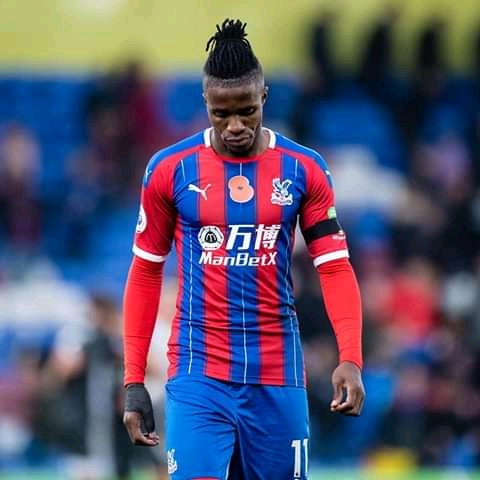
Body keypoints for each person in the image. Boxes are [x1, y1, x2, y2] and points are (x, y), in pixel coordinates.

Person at [122, 18, 365, 480]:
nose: (235, 126)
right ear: (205, 103)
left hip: (277, 370)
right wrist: (134, 379)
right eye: (221, 114)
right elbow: (146, 271)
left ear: (264, 97)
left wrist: (350, 356)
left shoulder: (304, 169)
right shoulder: (170, 170)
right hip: (198, 372)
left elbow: (335, 268)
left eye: (247, 111)